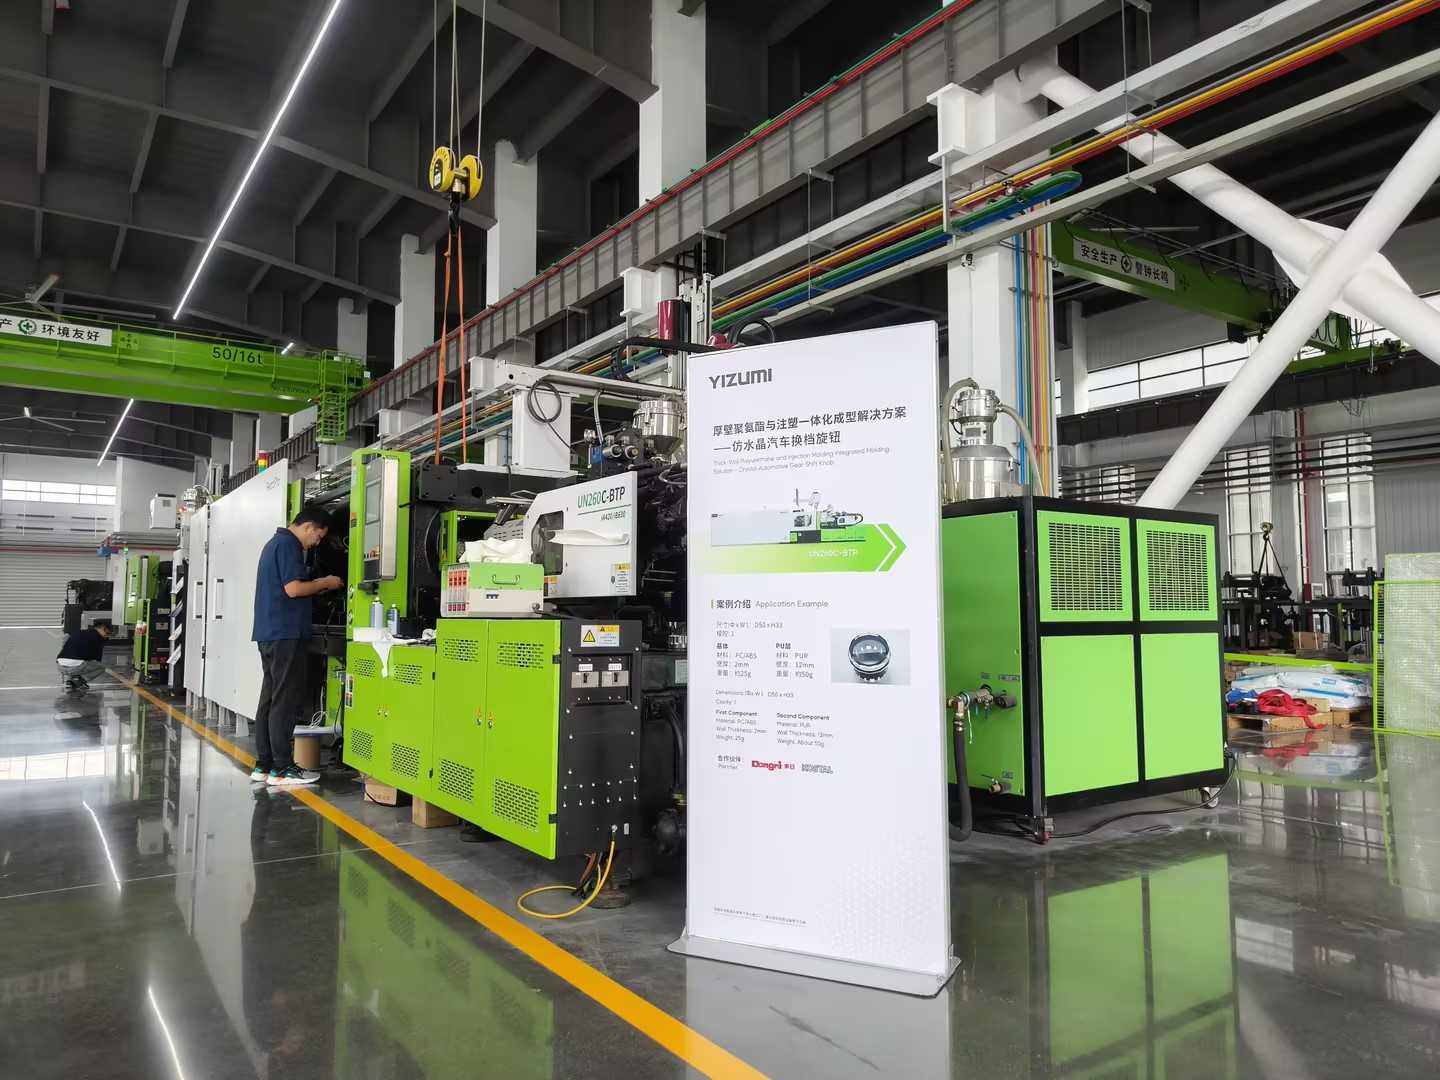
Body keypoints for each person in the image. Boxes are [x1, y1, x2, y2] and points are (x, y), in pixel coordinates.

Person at [251, 507, 343, 787]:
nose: (317, 542)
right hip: (286, 634)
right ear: (309, 526)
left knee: (269, 700)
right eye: (319, 536)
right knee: (285, 701)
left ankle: (265, 764)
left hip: (270, 633)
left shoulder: (273, 544)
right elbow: (293, 589)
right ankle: (282, 768)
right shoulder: (289, 545)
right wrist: (325, 583)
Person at [56, 620, 113, 690]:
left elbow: (65, 642)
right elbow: (97, 660)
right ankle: (81, 680)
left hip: (60, 666)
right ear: (102, 628)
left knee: (78, 660)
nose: (107, 636)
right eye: (107, 633)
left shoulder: (78, 632)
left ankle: (70, 680)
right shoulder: (98, 638)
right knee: (100, 667)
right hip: (75, 667)